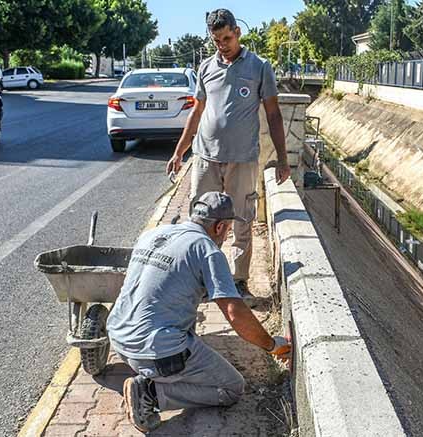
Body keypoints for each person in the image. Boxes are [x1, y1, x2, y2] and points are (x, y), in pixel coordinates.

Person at [108, 192, 292, 433]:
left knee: (184, 324)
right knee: (232, 388)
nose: (226, 237)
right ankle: (150, 392)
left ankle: (158, 372)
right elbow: (234, 313)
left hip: (119, 340)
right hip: (155, 353)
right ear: (220, 227)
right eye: (228, 231)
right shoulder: (207, 250)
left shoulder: (153, 234)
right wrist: (271, 345)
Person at [165, 8, 291, 302]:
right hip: (205, 158)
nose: (222, 45)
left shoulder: (260, 67)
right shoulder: (206, 68)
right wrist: (179, 151)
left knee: (241, 219)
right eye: (216, 40)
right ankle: (201, 279)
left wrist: (283, 159)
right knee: (200, 220)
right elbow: (197, 111)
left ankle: (238, 281)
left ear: (237, 33)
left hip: (242, 159)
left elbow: (274, 115)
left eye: (226, 38)